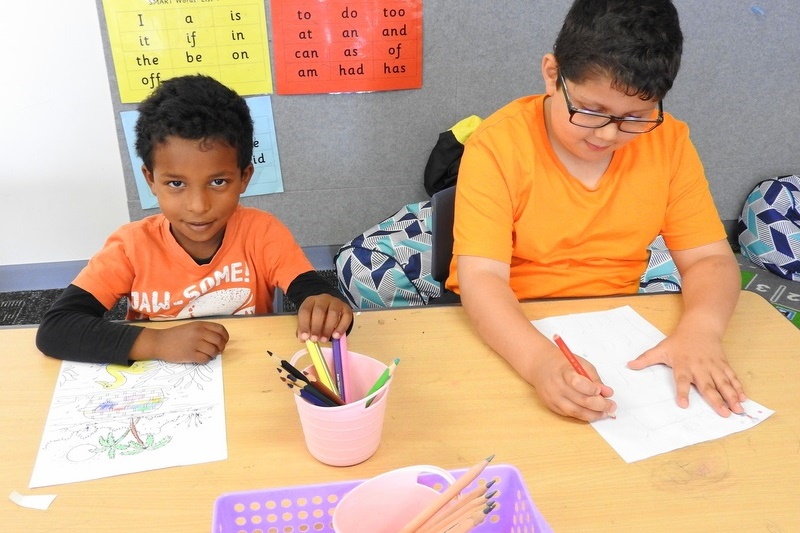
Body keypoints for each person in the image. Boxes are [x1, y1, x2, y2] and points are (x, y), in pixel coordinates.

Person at [447, 0, 745, 422]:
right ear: (553, 75)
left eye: (635, 118)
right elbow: (482, 278)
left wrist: (702, 329)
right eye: (591, 111)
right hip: (517, 326)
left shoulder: (669, 143)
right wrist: (539, 364)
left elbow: (710, 258)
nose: (608, 134)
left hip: (619, 326)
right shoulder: (498, 147)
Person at [36, 74, 353, 366]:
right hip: (158, 382)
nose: (198, 206)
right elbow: (56, 328)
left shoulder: (262, 232)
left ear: (244, 178)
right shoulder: (130, 246)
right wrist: (158, 342)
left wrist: (327, 306)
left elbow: (313, 292)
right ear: (151, 180)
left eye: (218, 182)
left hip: (245, 367)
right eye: (176, 184)